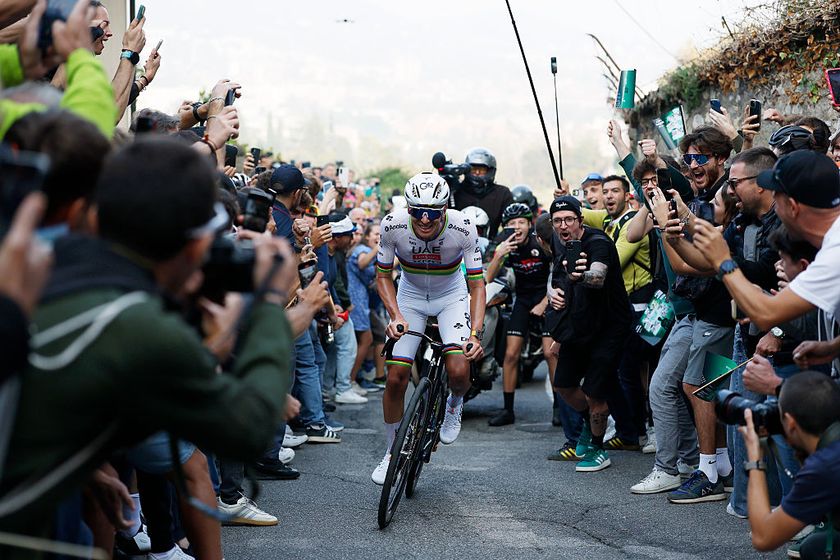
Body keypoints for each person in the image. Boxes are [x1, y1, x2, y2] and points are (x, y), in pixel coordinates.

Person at [0, 139, 323, 540]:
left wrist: (93, 469)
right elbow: (248, 429)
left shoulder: (63, 265)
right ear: (188, 243)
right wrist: (272, 301)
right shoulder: (139, 321)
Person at [371, 172, 485, 484]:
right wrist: (395, 316)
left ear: (445, 209)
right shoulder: (392, 224)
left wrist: (475, 333)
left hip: (451, 296)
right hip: (410, 297)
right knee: (395, 377)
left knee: (460, 371)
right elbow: (382, 276)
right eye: (417, 211)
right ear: (407, 209)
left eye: (433, 212)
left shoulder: (463, 226)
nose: (424, 219)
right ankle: (392, 452)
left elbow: (476, 285)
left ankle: (454, 403)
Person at [546, 196, 631, 473]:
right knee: (564, 385)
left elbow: (597, 277)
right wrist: (552, 292)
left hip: (609, 327)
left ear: (580, 221)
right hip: (579, 326)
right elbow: (556, 273)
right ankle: (589, 423)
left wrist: (577, 278)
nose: (563, 225)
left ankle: (598, 447)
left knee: (596, 391)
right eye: (558, 221)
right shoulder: (560, 243)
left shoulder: (598, 243)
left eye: (569, 219)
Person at [739, 371, 840, 559]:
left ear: (791, 424)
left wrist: (755, 455)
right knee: (813, 546)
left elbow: (763, 537)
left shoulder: (825, 467)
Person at [485, 203, 553, 426]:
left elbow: (558, 275)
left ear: (529, 224)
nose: (516, 228)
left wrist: (545, 303)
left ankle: (560, 409)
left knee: (550, 353)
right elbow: (487, 279)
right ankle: (508, 409)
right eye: (511, 224)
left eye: (521, 223)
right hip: (523, 300)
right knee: (511, 355)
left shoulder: (540, 242)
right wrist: (499, 255)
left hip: (546, 297)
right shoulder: (506, 245)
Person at [452, 147, 513, 237]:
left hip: (491, 244)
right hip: (456, 245)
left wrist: (495, 245)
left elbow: (512, 225)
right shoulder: (455, 191)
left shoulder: (502, 193)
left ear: (490, 171)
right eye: (473, 169)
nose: (477, 173)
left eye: (482, 170)